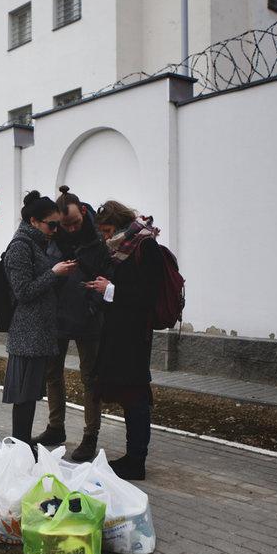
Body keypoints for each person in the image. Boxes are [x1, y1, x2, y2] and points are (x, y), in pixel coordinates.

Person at [84, 200, 163, 480]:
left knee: (137, 397)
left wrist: (111, 290)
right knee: (129, 397)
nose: (105, 237)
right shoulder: (123, 249)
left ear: (119, 225)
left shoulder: (145, 246)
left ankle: (137, 460)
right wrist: (105, 288)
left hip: (135, 336)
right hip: (121, 333)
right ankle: (132, 457)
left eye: (107, 231)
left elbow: (148, 295)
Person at [33, 186, 111, 462]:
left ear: (84, 211)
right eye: (65, 225)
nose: (71, 228)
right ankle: (56, 428)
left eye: (75, 222)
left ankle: (90, 437)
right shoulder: (52, 235)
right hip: (57, 316)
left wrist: (92, 306)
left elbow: (108, 275)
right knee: (52, 374)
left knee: (90, 378)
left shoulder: (99, 237)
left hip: (89, 318)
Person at [3, 190, 76, 446]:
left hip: (37, 332)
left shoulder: (36, 243)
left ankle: (22, 446)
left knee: (30, 394)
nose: (55, 230)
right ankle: (21, 446)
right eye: (51, 225)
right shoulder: (20, 246)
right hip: (27, 334)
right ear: (34, 221)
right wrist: (54, 273)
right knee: (24, 396)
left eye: (57, 225)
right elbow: (23, 291)